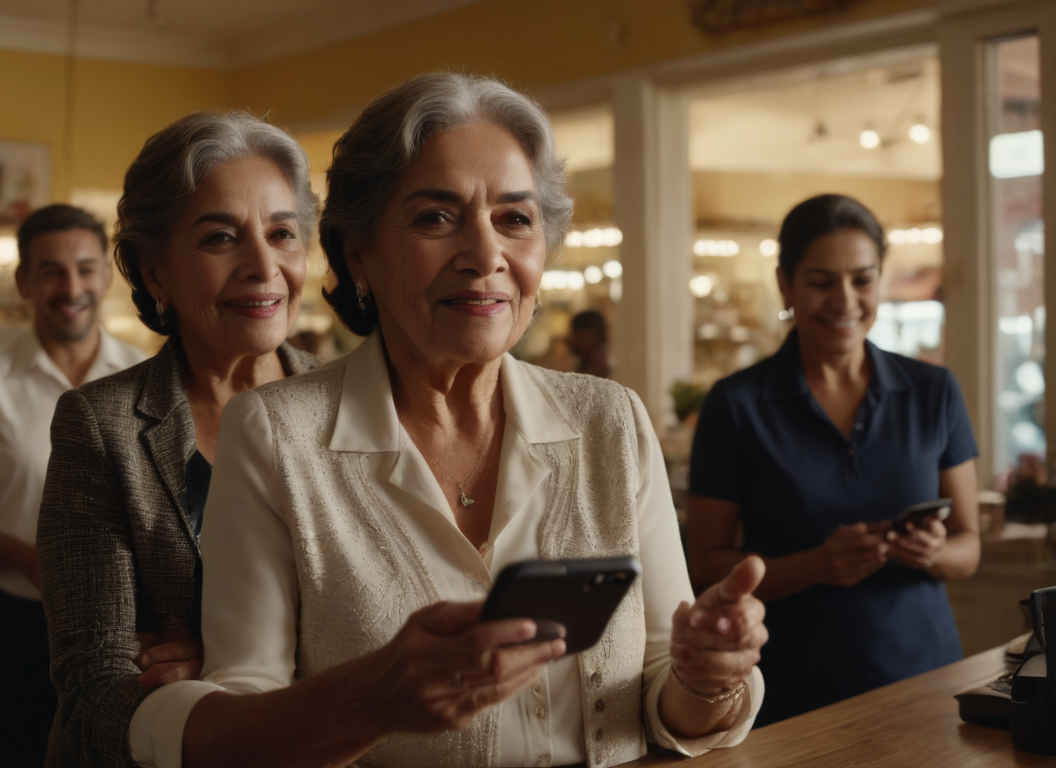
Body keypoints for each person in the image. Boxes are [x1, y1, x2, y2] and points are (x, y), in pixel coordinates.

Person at [128, 73, 768, 768]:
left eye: (515, 219)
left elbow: (664, 691)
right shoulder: (276, 435)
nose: (485, 254)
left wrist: (708, 678)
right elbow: (246, 714)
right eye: (436, 218)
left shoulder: (609, 420)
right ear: (357, 253)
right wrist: (372, 699)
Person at [35, 111, 321, 767]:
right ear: (153, 270)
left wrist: (224, 662)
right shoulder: (100, 424)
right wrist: (208, 704)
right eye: (221, 238)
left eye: (283, 233)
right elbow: (94, 688)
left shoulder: (358, 406)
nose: (262, 266)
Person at [687, 194, 981, 726]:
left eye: (863, 280)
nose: (845, 301)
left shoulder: (933, 390)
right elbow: (703, 562)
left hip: (927, 681)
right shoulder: (735, 404)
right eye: (821, 282)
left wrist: (931, 551)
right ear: (785, 284)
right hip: (790, 691)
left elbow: (968, 548)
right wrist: (814, 566)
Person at [0, 205, 148, 768]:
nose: (71, 286)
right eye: (51, 270)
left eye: (85, 267)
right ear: (23, 281)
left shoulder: (147, 377)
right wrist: (26, 558)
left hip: (132, 632)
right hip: (18, 627)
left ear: (107, 274)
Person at [568, 309, 612, 378]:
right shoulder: (587, 359)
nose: (572, 339)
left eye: (576, 334)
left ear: (591, 333)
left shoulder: (599, 365)